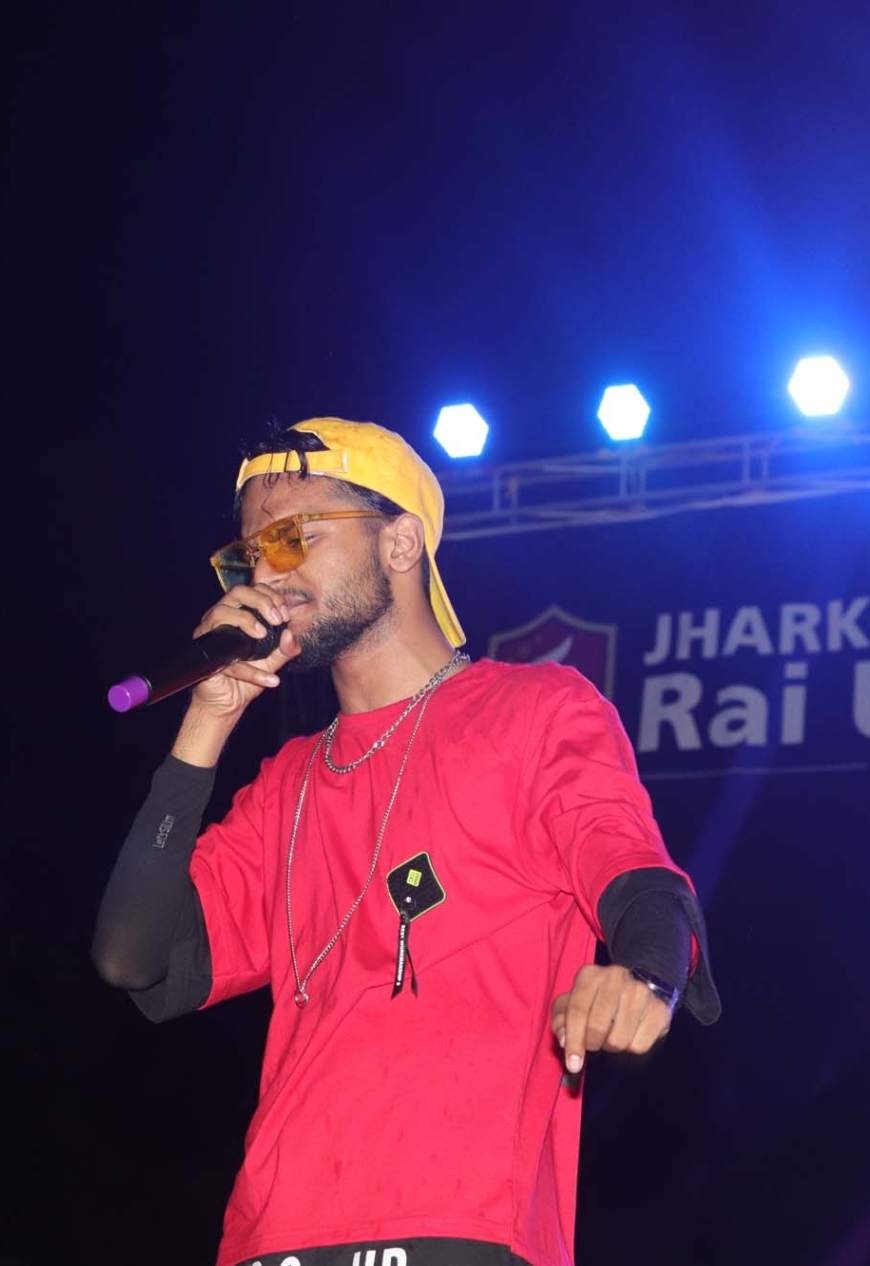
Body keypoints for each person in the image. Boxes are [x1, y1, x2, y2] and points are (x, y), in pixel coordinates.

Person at [93, 418, 720, 1266]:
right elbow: (131, 958)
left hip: (459, 1224)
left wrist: (646, 974)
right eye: (248, 555)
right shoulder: (286, 782)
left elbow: (637, 873)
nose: (266, 575)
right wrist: (205, 722)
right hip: (271, 1236)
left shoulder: (533, 709)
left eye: (292, 538)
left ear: (400, 542)